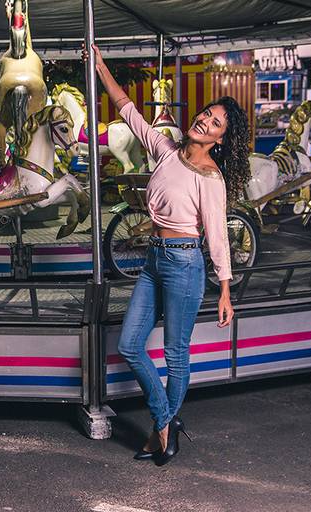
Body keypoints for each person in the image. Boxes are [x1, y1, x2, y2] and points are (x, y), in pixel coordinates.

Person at [85, 45, 250, 465]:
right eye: (205, 114)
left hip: (185, 264)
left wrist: (226, 291)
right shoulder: (166, 151)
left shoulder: (211, 178)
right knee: (129, 344)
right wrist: (101, 67)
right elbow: (129, 113)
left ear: (220, 138)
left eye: (215, 123)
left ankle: (164, 428)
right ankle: (166, 422)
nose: (204, 121)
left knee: (176, 353)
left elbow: (217, 236)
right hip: (154, 259)